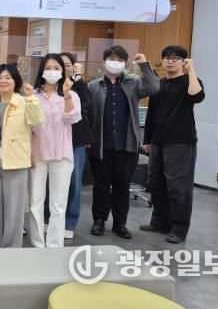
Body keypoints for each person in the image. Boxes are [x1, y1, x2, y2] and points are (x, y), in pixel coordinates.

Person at [88, 45, 159, 239]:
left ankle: (120, 223)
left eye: (119, 60)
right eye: (112, 59)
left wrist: (144, 65)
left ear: (125, 64)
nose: (115, 63)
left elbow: (154, 87)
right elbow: (88, 114)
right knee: (101, 186)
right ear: (104, 62)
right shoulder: (93, 86)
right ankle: (99, 221)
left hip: (127, 145)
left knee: (121, 186)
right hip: (101, 145)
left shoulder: (133, 83)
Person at [141, 45, 204, 244]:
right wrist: (147, 140)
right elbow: (151, 114)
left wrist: (191, 70)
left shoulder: (190, 81)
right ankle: (160, 222)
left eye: (175, 58)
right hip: (158, 142)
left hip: (180, 142)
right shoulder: (159, 84)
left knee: (178, 188)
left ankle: (179, 228)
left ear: (183, 61)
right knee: (156, 183)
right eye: (167, 57)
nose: (170, 61)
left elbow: (196, 97)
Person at [0, 64, 43, 248]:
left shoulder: (25, 102)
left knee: (14, 208)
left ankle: (12, 246)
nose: (3, 81)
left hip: (16, 162)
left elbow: (37, 124)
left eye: (8, 78)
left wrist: (31, 98)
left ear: (15, 81)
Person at [28, 54, 81, 248]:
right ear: (42, 70)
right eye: (48, 68)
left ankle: (54, 246)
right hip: (37, 154)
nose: (52, 71)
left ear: (63, 71)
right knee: (35, 202)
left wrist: (66, 94)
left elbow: (72, 118)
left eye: (57, 68)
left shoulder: (72, 95)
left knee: (58, 204)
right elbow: (28, 126)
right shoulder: (33, 95)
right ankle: (37, 243)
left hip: (62, 154)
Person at [59, 52, 93, 240]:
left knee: (74, 182)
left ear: (73, 67)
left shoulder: (80, 86)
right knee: (50, 182)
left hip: (76, 140)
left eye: (68, 64)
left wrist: (77, 79)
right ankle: (48, 218)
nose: (64, 68)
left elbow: (86, 106)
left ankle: (69, 222)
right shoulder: (47, 87)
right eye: (60, 64)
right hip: (54, 140)